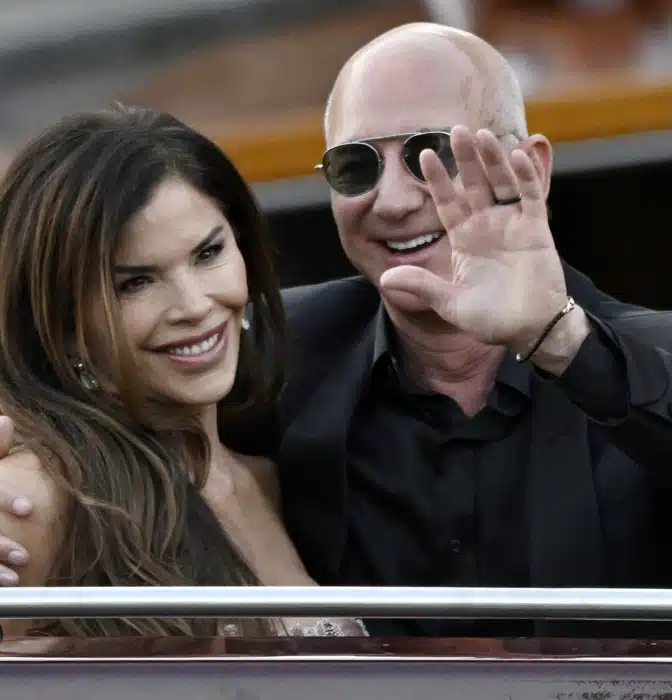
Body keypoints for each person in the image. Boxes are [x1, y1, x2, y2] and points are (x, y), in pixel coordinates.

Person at [1, 22, 672, 639]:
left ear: (534, 168)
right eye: (357, 166)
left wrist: (558, 338)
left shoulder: (642, 362)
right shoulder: (274, 361)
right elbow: (96, 403)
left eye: (433, 154)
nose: (396, 200)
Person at [0, 104, 366, 638]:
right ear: (60, 322)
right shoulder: (35, 500)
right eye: (135, 283)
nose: (194, 305)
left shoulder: (272, 478)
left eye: (208, 253)